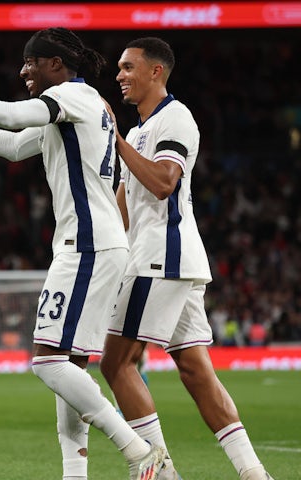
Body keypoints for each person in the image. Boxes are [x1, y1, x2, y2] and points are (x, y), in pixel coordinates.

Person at [0, 27, 166, 480]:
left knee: (47, 360)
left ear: (55, 64)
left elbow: (12, 118)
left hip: (88, 245)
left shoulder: (73, 97)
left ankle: (137, 449)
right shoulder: (79, 109)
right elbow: (14, 147)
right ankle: (75, 474)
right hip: (95, 244)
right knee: (68, 366)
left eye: (31, 62)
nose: (23, 70)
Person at [99, 37, 274, 480]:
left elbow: (163, 182)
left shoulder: (175, 118)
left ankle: (159, 473)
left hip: (161, 258)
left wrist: (116, 141)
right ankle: (255, 474)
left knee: (116, 363)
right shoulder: (139, 131)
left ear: (156, 71)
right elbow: (126, 202)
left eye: (127, 67)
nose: (119, 75)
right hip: (167, 260)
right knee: (196, 372)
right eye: (119, 68)